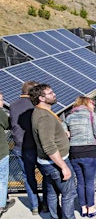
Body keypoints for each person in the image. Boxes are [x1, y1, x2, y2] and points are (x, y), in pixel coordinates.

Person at [30, 84, 77, 219]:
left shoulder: (39, 112)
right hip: (55, 163)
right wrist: (64, 167)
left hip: (46, 163)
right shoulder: (44, 117)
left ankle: (54, 216)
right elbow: (49, 145)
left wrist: (62, 134)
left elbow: (48, 134)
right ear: (41, 98)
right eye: (50, 93)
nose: (54, 94)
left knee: (52, 192)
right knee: (68, 194)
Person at [9, 81, 47, 215]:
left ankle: (35, 206)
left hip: (20, 147)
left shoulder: (13, 106)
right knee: (46, 175)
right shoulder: (37, 105)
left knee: (28, 177)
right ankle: (47, 204)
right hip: (37, 146)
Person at [62, 96, 96, 217]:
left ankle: (83, 208)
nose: (94, 105)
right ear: (86, 103)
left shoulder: (69, 117)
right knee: (89, 182)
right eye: (92, 103)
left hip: (74, 152)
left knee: (80, 181)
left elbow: (65, 132)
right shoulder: (92, 116)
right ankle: (91, 208)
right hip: (88, 151)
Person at [0, 92, 15, 218]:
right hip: (1, 152)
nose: (2, 102)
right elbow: (7, 125)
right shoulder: (0, 112)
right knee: (2, 180)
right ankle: (1, 205)